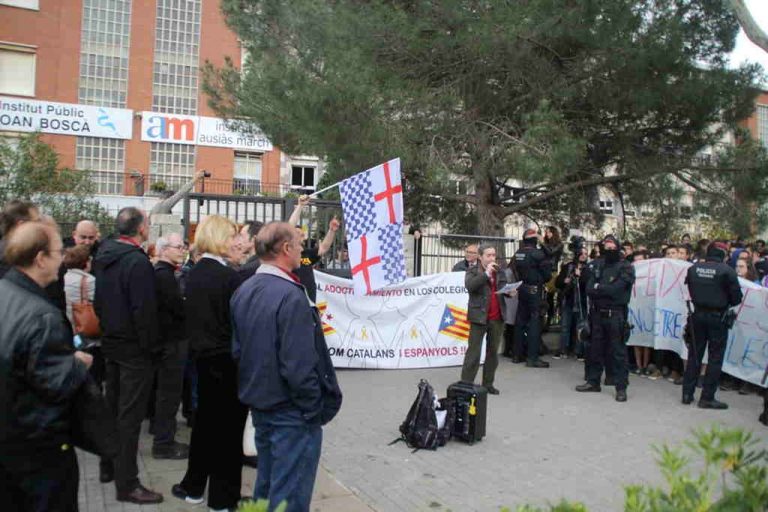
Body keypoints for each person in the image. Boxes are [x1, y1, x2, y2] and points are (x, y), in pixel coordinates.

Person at [231, 221, 342, 512]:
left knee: (267, 485)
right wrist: (311, 408)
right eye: (298, 242)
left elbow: (239, 351)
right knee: (289, 493)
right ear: (286, 248)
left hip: (263, 405)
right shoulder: (290, 295)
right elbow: (299, 365)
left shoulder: (245, 288)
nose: (302, 248)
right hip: (291, 413)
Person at [0, 221, 93, 512]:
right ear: (40, 258)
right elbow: (55, 386)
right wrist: (78, 364)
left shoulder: (6, 291)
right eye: (58, 252)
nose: (62, 257)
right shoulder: (42, 315)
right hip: (38, 453)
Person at [172, 215, 248, 511]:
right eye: (231, 237)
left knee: (205, 426)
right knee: (228, 434)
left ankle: (193, 486)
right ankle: (223, 499)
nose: (236, 242)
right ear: (218, 238)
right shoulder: (228, 277)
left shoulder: (197, 272)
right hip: (226, 362)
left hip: (203, 360)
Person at [93, 207, 162, 504]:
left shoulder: (104, 256)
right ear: (141, 228)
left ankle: (108, 465)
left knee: (113, 411)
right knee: (129, 418)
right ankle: (127, 483)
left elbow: (99, 302)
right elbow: (144, 312)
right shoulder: (137, 261)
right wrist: (152, 349)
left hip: (112, 343)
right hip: (134, 351)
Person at [682, 241, 744, 409]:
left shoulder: (693, 269)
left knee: (694, 354)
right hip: (718, 318)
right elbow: (737, 298)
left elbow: (689, 288)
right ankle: (707, 397)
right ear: (723, 255)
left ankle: (687, 394)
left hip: (697, 315)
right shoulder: (727, 271)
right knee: (715, 358)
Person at [576, 234, 635, 402]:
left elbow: (617, 290)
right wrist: (603, 288)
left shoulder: (626, 267)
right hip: (597, 314)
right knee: (594, 350)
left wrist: (599, 287)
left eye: (611, 247)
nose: (608, 250)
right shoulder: (597, 265)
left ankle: (621, 388)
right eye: (606, 247)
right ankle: (593, 382)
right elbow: (588, 288)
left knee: (618, 353)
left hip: (616, 315)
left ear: (617, 247)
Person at [150, 233, 190, 459]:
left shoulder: (164, 273)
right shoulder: (164, 276)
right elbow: (177, 308)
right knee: (169, 393)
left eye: (183, 246)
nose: (182, 249)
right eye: (178, 247)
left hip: (168, 341)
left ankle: (161, 432)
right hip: (172, 342)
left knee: (165, 392)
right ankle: (164, 443)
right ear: (163, 249)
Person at [460, 244, 510, 394]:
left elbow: (503, 288)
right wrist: (486, 274)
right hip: (479, 317)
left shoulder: (499, 271)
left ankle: (488, 383)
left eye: (494, 255)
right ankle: (466, 384)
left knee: (493, 353)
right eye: (488, 255)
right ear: (480, 257)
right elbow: (470, 286)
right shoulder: (473, 271)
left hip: (497, 317)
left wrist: (510, 292)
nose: (492, 258)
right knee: (473, 353)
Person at [287, 195, 340, 303]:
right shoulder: (287, 253)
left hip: (309, 301)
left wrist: (331, 231)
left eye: (302, 235)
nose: (300, 236)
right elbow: (288, 228)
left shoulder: (307, 253)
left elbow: (324, 247)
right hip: (293, 300)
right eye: (297, 233)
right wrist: (300, 206)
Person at [513, 229, 552, 368]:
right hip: (535, 291)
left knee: (520, 321)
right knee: (535, 323)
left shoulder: (518, 254)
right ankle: (532, 358)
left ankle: (517, 354)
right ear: (535, 240)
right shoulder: (538, 254)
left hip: (522, 288)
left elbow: (514, 270)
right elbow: (548, 275)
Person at [554, 246, 588, 359]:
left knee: (580, 326)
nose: (584, 255)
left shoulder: (588, 268)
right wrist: (564, 281)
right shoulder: (568, 267)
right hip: (568, 301)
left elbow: (588, 285)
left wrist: (580, 276)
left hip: (581, 302)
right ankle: (563, 349)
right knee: (565, 326)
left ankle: (579, 351)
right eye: (582, 253)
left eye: (586, 254)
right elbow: (557, 283)